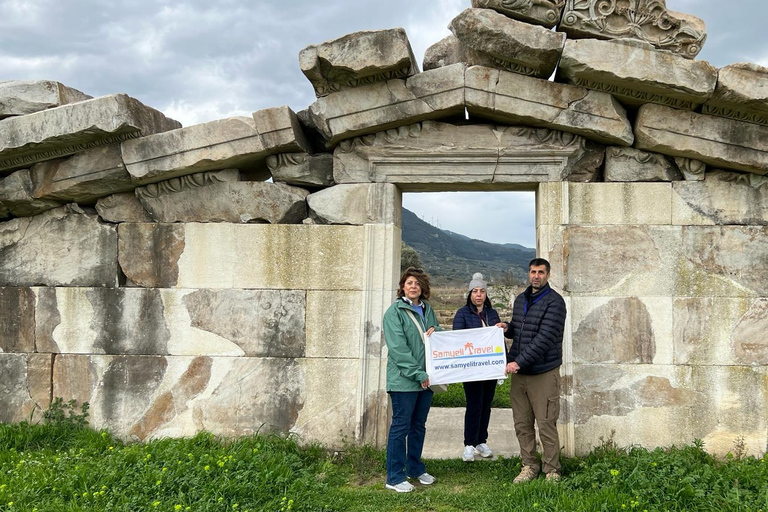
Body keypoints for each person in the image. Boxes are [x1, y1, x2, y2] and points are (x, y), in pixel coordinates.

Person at [499, 258, 567, 483]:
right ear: (528, 274)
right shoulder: (521, 300)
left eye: (540, 272)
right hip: (521, 376)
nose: (536, 276)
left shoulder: (555, 303)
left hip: (543, 372)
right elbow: (520, 330)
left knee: (546, 423)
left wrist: (518, 362)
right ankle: (529, 465)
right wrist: (507, 328)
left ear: (547, 275)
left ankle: (552, 470)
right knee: (522, 423)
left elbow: (545, 338)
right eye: (532, 272)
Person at [382, 267, 441, 493]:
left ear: (422, 287)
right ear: (403, 287)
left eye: (417, 283)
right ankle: (394, 476)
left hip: (426, 379)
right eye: (409, 283)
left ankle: (415, 468)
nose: (413, 286)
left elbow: (436, 338)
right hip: (405, 381)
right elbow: (398, 349)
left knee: (418, 426)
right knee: (401, 427)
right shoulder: (395, 312)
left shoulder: (428, 310)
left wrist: (439, 330)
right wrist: (419, 374)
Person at [452, 272, 504, 462]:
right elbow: (457, 338)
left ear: (486, 294)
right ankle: (469, 444)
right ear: (470, 294)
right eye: (475, 291)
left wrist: (501, 364)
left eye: (482, 291)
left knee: (486, 405)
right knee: (474, 405)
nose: (479, 295)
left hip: (489, 368)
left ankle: (481, 441)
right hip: (471, 368)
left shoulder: (492, 314)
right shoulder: (462, 314)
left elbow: (498, 339)